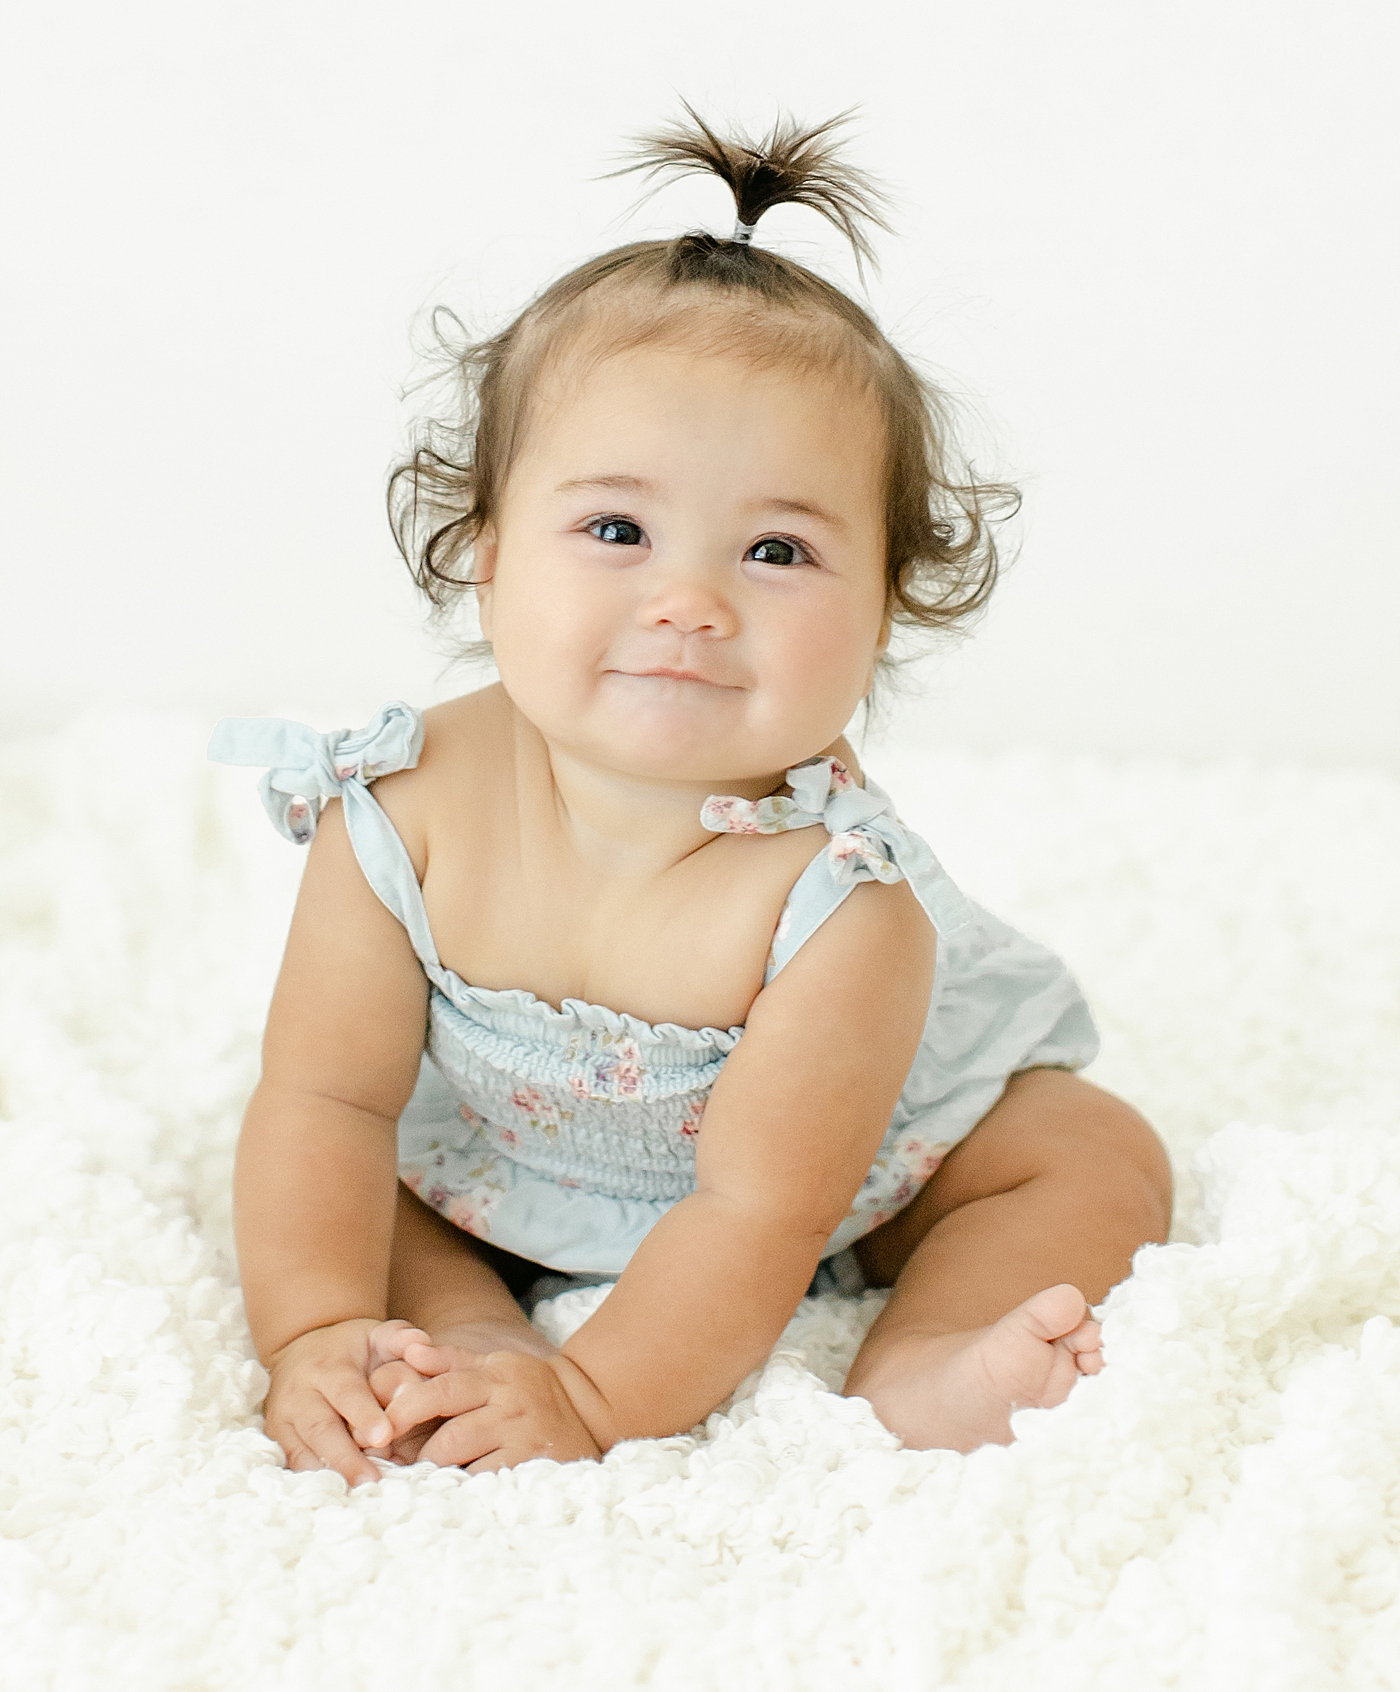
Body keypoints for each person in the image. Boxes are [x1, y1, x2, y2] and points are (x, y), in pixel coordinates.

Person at [211, 109, 1171, 1487]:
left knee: (1091, 1155)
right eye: (617, 530)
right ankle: (466, 1339)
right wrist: (309, 1326)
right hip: (506, 1151)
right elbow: (324, 1100)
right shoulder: (397, 808)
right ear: (482, 548)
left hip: (843, 1169)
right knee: (370, 1199)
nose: (690, 602)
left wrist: (596, 1401)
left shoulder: (842, 901)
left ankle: (921, 1360)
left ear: (886, 608)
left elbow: (765, 1208)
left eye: (777, 550)